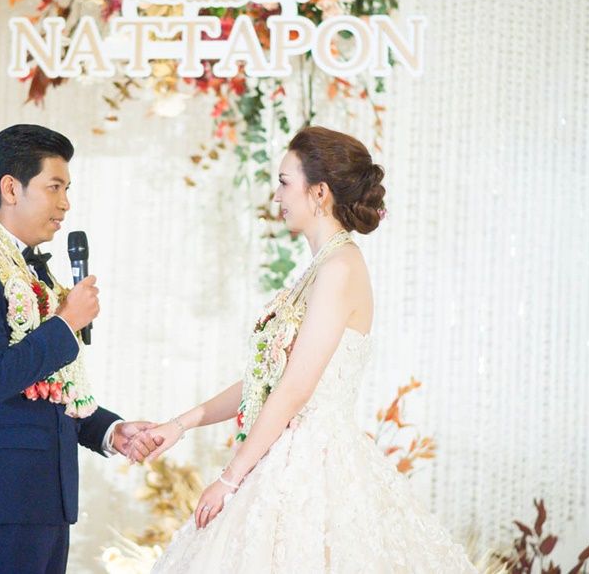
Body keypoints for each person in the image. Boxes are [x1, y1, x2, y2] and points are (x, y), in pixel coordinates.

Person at [146, 126, 477, 573]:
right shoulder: (322, 267)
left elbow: (295, 388)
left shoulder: (340, 266)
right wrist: (181, 424)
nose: (277, 196)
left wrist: (230, 479)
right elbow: (268, 380)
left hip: (313, 466)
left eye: (285, 182)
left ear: (319, 192)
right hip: (284, 454)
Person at [0, 124, 163, 574]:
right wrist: (65, 322)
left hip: (46, 499)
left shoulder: (34, 275)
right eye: (54, 187)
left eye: (67, 189)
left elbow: (49, 390)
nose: (65, 204)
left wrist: (109, 430)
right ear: (11, 189)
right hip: (3, 499)